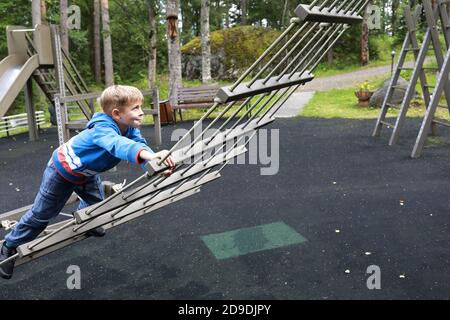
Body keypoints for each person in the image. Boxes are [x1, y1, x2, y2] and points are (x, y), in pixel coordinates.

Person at [0, 85, 175, 279]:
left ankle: (87, 221)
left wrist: (154, 166)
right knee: (42, 214)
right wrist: (147, 156)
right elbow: (118, 145)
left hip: (87, 173)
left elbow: (140, 146)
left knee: (95, 204)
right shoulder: (102, 129)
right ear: (117, 114)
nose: (141, 112)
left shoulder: (130, 130)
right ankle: (9, 246)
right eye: (135, 108)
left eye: (141, 107)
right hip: (62, 171)